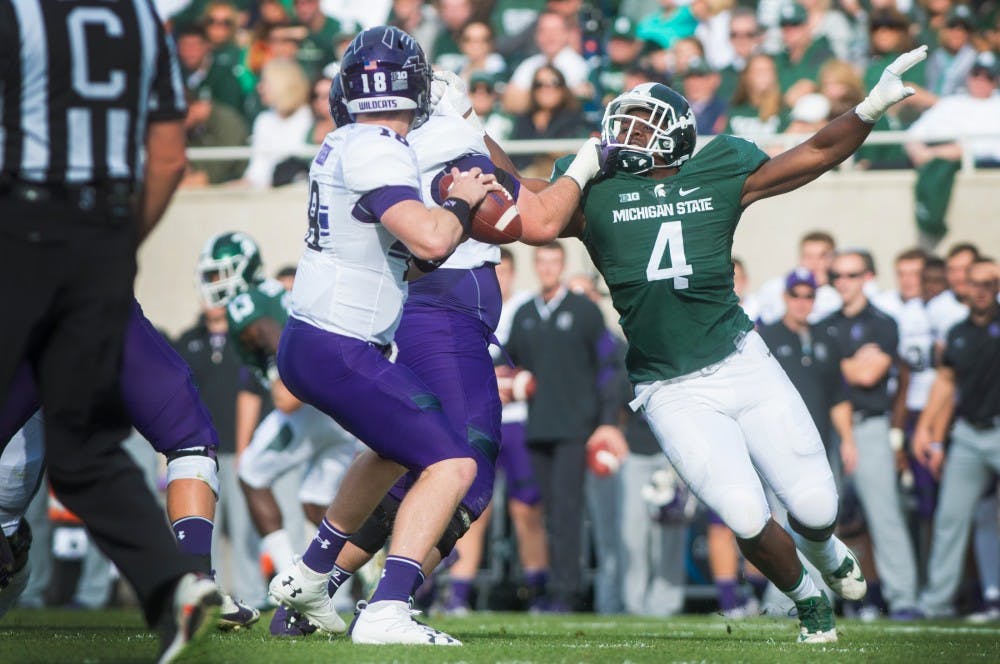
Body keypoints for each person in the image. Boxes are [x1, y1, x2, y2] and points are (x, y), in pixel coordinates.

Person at [492, 44, 931, 642]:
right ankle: (808, 601)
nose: (622, 132)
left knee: (818, 511)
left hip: (741, 362)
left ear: (674, 135)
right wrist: (467, 124)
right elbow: (519, 189)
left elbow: (817, 152)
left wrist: (869, 107)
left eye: (639, 123)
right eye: (621, 120)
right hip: (669, 386)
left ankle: (826, 553)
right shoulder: (596, 190)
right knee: (746, 514)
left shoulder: (722, 167)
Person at [0, 2, 219, 661]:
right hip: (102, 241)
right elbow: (171, 156)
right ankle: (174, 586)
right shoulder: (141, 19)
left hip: (23, 226)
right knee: (88, 452)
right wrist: (116, 246)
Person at [268, 25, 497, 646]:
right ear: (417, 87)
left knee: (394, 450)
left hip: (322, 340)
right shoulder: (376, 145)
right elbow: (430, 240)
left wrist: (441, 220)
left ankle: (311, 575)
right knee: (454, 463)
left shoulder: (348, 139)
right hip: (336, 343)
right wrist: (461, 201)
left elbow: (408, 257)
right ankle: (388, 609)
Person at [196, 232, 359, 613]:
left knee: (251, 473)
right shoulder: (277, 292)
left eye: (222, 274)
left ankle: (290, 577)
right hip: (341, 410)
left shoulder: (244, 304)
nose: (215, 284)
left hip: (310, 405)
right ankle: (359, 572)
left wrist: (289, 380)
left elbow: (272, 335)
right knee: (317, 504)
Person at [505, 242, 625, 612]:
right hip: (536, 427)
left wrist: (606, 424)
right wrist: (507, 379)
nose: (547, 268)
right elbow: (507, 361)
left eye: (554, 261)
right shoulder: (525, 313)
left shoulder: (584, 311)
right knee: (543, 511)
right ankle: (547, 588)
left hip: (575, 429)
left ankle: (567, 593)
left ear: (562, 264)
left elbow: (610, 368)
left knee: (568, 512)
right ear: (535, 266)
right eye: (541, 261)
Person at [822, 249, 921, 619]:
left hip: (869, 426)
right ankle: (821, 599)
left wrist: (836, 364)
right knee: (820, 517)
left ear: (868, 277)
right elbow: (828, 373)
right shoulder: (825, 323)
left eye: (851, 275)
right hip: (829, 429)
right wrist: (849, 363)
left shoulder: (883, 322)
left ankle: (904, 597)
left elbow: (868, 375)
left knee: (885, 515)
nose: (842, 283)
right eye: (836, 276)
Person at [914, 259, 1000, 618]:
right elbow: (945, 383)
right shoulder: (957, 331)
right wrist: (926, 431)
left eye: (988, 283)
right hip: (967, 433)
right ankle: (936, 603)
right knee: (950, 518)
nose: (980, 290)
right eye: (974, 283)